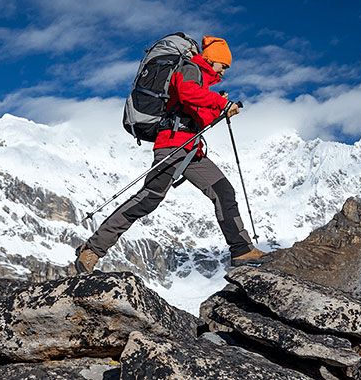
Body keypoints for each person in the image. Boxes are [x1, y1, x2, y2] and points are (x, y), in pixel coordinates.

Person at [74, 35, 267, 273]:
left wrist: (219, 109)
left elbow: (195, 115)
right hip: (172, 145)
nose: (224, 72)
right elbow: (186, 93)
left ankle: (242, 250)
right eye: (223, 65)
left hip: (190, 148)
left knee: (223, 191)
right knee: (148, 199)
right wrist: (219, 103)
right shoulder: (191, 69)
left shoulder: (200, 81)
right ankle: (92, 250)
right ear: (212, 59)